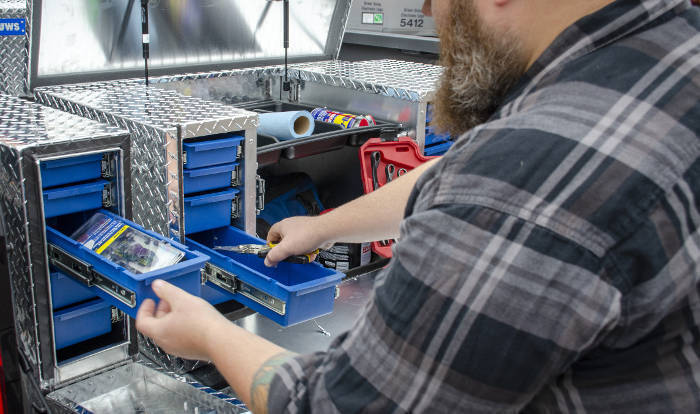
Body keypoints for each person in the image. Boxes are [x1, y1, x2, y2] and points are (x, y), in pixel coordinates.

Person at [136, 0, 700, 412]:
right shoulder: (669, 55)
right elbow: (468, 169)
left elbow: (339, 406)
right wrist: (326, 227)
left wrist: (209, 333)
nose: (428, 9)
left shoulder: (523, 179)